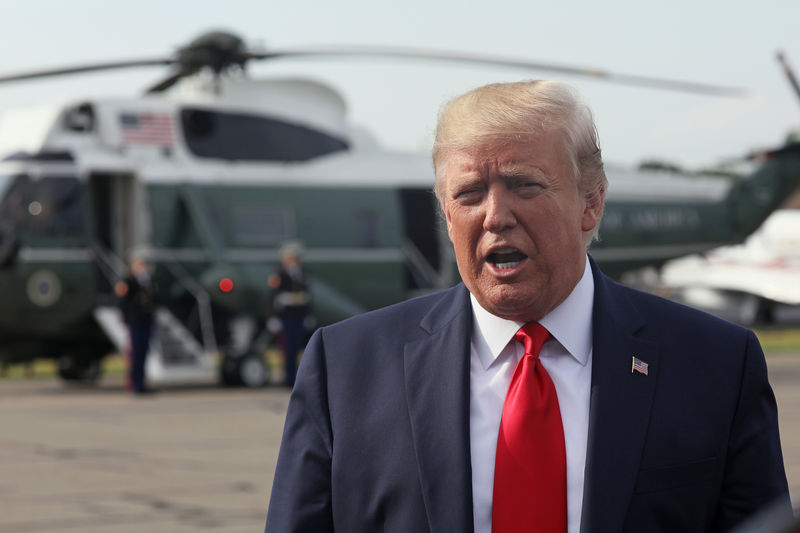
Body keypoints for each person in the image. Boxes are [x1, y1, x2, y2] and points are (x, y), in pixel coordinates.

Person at [266, 81, 790, 532]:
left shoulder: (715, 362)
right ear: (447, 215)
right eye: (469, 193)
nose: (496, 215)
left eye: (524, 185)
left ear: (592, 203)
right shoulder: (346, 368)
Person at [268, 242, 312, 387]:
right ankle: (288, 380)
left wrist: (308, 315)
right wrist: (274, 317)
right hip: (285, 316)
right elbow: (273, 296)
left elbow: (307, 296)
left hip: (299, 315)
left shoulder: (302, 274)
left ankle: (297, 379)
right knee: (287, 349)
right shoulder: (279, 274)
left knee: (298, 348)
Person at [115, 255, 157, 395]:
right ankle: (135, 384)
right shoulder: (128, 281)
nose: (142, 267)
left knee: (144, 353)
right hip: (135, 322)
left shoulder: (148, 281)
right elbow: (123, 300)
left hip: (146, 321)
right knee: (135, 354)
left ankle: (141, 383)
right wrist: (124, 318)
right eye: (139, 264)